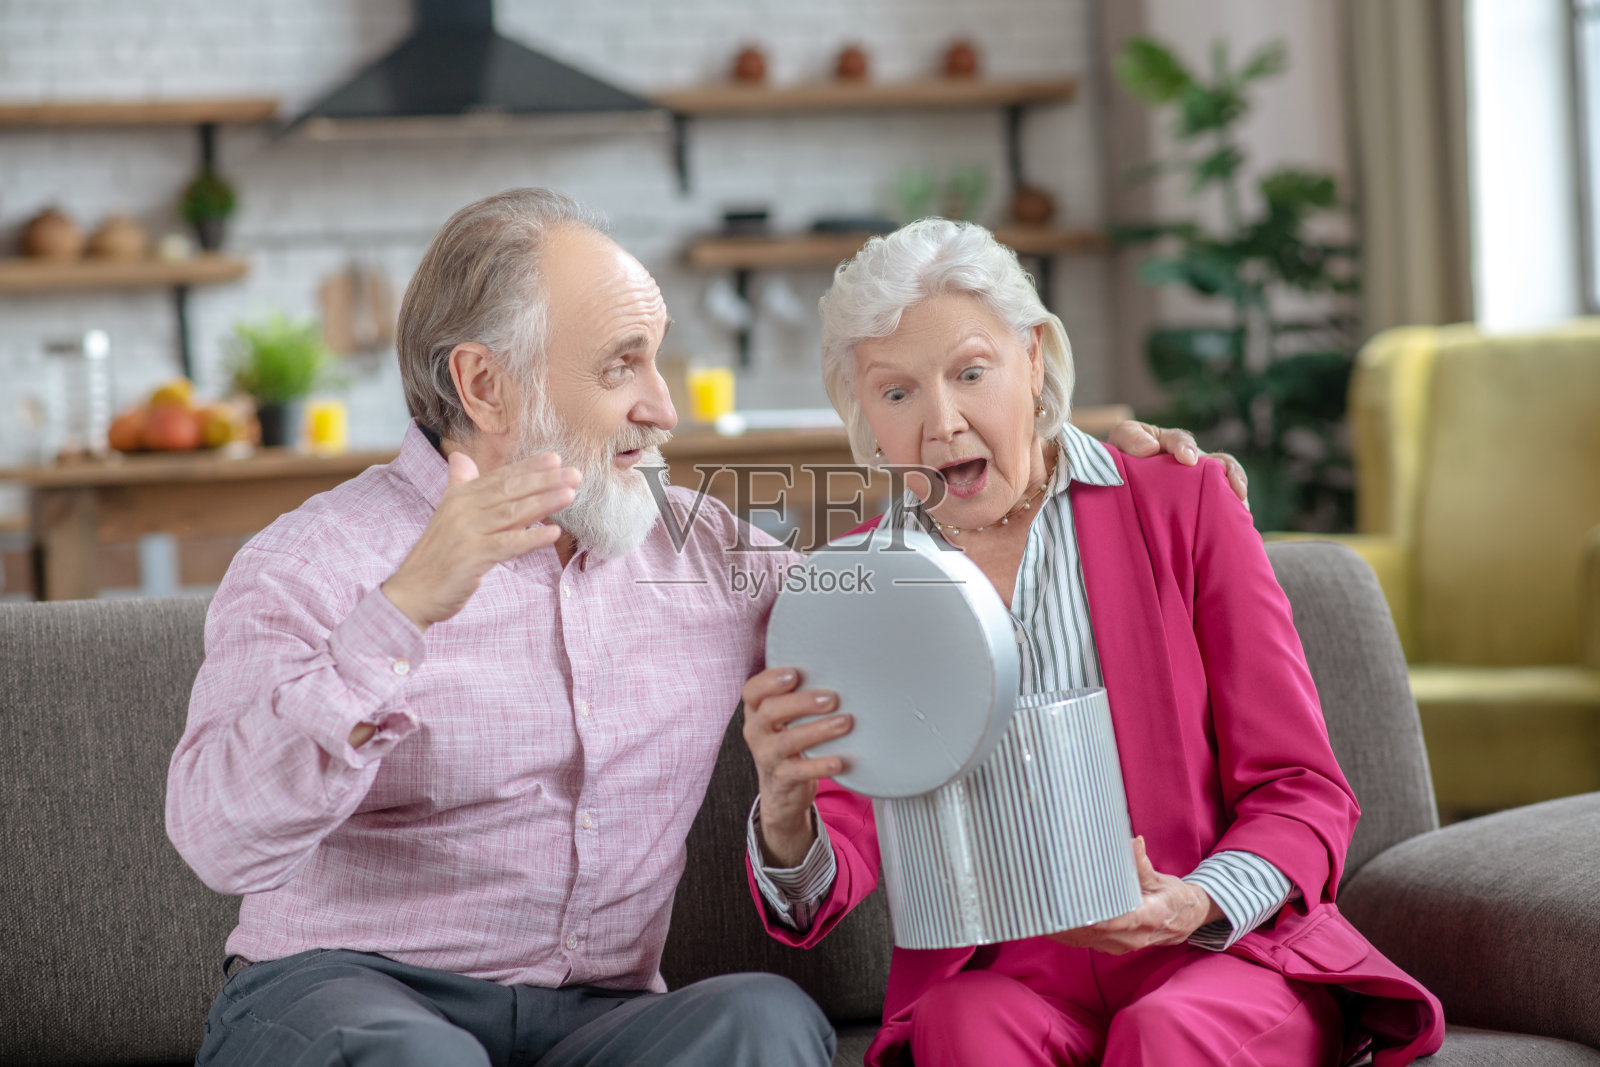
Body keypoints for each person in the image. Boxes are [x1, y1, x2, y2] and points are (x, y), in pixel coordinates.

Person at [166, 189, 1219, 1067]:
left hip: (599, 1018)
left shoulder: (704, 552)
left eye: (657, 360)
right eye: (620, 365)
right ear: (484, 384)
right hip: (350, 996)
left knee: (764, 1020)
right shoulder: (313, 561)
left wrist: (1076, 464)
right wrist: (400, 613)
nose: (663, 407)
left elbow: (915, 613)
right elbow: (217, 836)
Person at [740, 218, 1445, 1067]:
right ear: (863, 412)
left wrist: (1195, 902)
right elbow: (831, 867)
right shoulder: (859, 585)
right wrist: (787, 816)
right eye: (896, 393)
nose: (942, 423)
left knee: (1166, 1031)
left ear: (1034, 357)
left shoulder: (1182, 502)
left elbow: (1303, 788)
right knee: (962, 1023)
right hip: (1016, 978)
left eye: (971, 372)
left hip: (1217, 951)